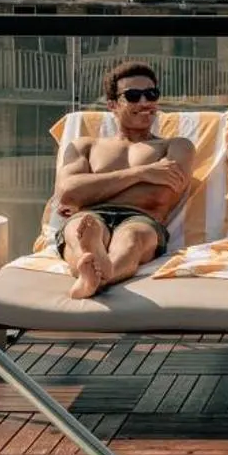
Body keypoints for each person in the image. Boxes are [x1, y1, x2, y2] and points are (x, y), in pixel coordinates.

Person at [54, 60, 195, 298]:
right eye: (133, 96)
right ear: (112, 105)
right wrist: (142, 173)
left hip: (141, 218)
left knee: (131, 239)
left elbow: (160, 195)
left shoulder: (176, 145)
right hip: (90, 215)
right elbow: (67, 192)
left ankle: (94, 276)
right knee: (81, 229)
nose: (145, 102)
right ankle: (94, 263)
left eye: (151, 94)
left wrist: (91, 188)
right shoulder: (86, 145)